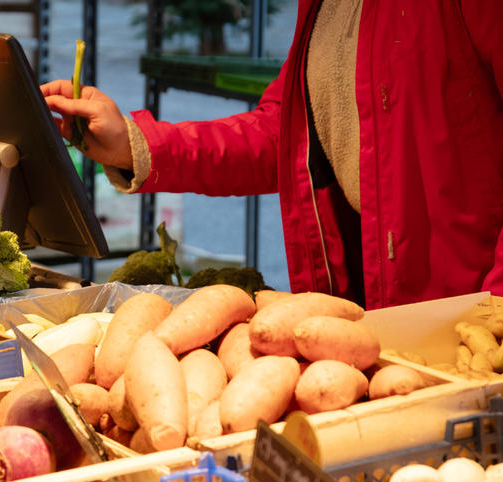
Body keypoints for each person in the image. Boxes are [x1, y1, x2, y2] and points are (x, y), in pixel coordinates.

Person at [41, 0, 503, 310]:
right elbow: (285, 132)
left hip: (467, 311)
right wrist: (134, 144)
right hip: (371, 301)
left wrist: (494, 313)